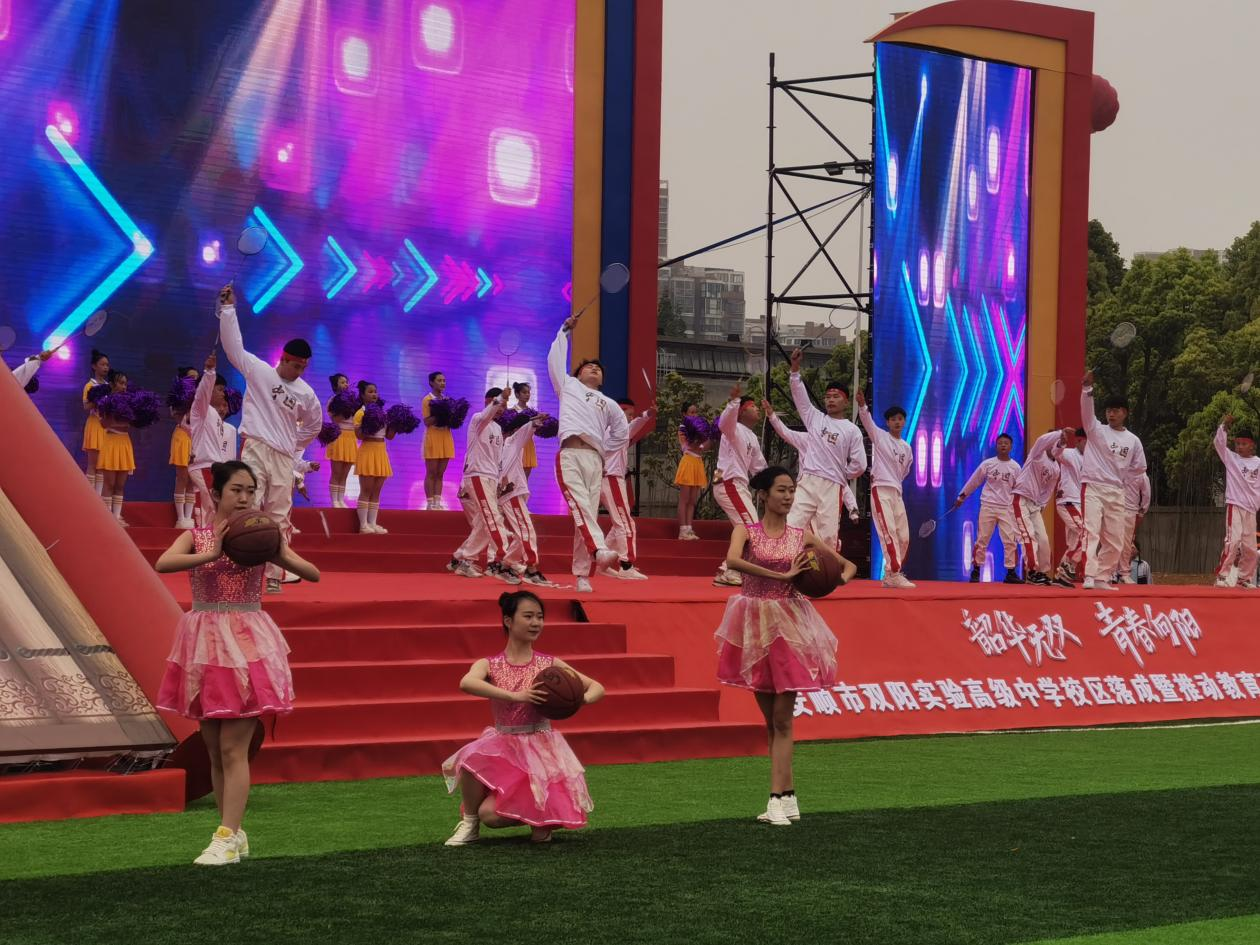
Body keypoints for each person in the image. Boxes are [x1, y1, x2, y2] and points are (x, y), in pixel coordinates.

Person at [154, 460, 320, 866]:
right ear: (216, 494)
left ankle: (225, 837)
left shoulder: (262, 535)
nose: (244, 498)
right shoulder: (197, 536)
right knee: (214, 749)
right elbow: (162, 564)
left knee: (233, 748)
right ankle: (233, 832)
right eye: (236, 490)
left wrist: (279, 553)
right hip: (204, 644)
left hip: (246, 644)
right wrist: (209, 552)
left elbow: (312, 574)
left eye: (250, 490)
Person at [715, 466, 854, 827]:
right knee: (771, 721)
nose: (789, 496)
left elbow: (847, 566)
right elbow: (733, 561)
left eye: (792, 490)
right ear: (763, 495)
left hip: (789, 630)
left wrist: (827, 580)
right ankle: (789, 797)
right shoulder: (745, 531)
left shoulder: (802, 536)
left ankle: (776, 799)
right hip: (753, 627)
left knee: (782, 719)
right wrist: (783, 574)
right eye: (781, 490)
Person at [443, 590, 604, 846]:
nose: (536, 623)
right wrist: (516, 696)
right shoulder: (490, 663)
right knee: (473, 763)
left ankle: (542, 818)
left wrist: (579, 700)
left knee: (531, 833)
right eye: (528, 616)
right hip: (504, 745)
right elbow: (466, 682)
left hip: (541, 750)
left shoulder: (549, 664)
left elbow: (597, 687)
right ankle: (470, 824)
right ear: (508, 620)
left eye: (540, 617)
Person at [216, 285, 322, 594]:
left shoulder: (307, 394)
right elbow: (233, 348)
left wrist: (293, 445)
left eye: (303, 367)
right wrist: (228, 310)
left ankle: (275, 575)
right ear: (284, 359)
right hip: (256, 448)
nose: (299, 371)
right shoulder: (260, 371)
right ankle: (240, 569)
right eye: (296, 365)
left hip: (283, 458)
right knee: (248, 505)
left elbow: (313, 426)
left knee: (279, 515)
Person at [547, 310, 627, 593]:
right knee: (581, 506)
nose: (594, 369)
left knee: (587, 513)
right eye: (588, 367)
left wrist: (604, 450)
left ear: (602, 379)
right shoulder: (568, 386)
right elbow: (555, 359)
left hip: (595, 460)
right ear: (577, 374)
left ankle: (582, 575)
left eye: (598, 368)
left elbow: (622, 433)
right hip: (570, 455)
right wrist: (565, 330)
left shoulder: (609, 404)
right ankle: (600, 549)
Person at [786, 347, 868, 550]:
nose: (830, 400)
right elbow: (800, 398)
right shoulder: (815, 418)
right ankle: (786, 566)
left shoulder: (851, 430)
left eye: (836, 396)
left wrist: (842, 473)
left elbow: (860, 464)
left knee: (828, 536)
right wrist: (795, 369)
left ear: (846, 401)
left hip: (832, 486)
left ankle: (824, 569)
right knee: (792, 526)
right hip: (808, 481)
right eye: (828, 396)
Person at [1078, 372, 1146, 591]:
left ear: (1125, 413)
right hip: (1093, 487)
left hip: (1117, 491)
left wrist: (1122, 478)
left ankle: (1102, 576)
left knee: (1116, 539)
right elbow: (1087, 412)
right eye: (1108, 410)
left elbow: (1139, 468)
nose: (1111, 414)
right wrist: (1087, 390)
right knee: (1091, 532)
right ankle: (1089, 575)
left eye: (1116, 410)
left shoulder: (1133, 441)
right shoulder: (1095, 429)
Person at [763, 404, 861, 534]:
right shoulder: (805, 438)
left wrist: (853, 508)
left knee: (823, 536)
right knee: (794, 528)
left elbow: (841, 483)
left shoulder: (833, 451)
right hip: (806, 489)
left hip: (826, 495)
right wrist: (772, 416)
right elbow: (785, 432)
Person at [450, 387, 515, 582]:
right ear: (489, 401)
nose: (502, 409)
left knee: (482, 523)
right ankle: (503, 561)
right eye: (500, 404)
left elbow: (498, 458)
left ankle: (464, 558)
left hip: (491, 478)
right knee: (493, 518)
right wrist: (500, 398)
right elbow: (488, 413)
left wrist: (501, 480)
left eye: (505, 406)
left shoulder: (497, 428)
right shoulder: (478, 419)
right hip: (477, 475)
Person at [709, 389, 768, 587]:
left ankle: (726, 569)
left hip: (740, 487)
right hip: (729, 483)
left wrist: (773, 484)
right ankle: (732, 570)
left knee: (749, 528)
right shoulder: (732, 428)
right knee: (751, 528)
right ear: (742, 411)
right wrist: (734, 401)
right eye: (753, 406)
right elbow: (723, 422)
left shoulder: (752, 437)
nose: (757, 409)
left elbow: (759, 468)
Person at [856, 391, 914, 588]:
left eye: (900, 419)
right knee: (888, 532)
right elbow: (867, 422)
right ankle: (894, 573)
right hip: (880, 489)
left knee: (903, 536)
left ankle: (890, 575)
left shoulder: (906, 448)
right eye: (893, 419)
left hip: (897, 492)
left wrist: (895, 481)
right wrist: (862, 406)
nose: (897, 422)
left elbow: (904, 471)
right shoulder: (880, 437)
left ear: (904, 422)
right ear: (888, 423)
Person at [953, 434, 1022, 583]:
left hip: (1007, 508)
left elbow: (1020, 489)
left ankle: (1011, 572)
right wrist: (962, 496)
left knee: (1010, 540)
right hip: (988, 506)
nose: (1003, 445)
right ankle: (976, 570)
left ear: (1011, 446)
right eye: (1000, 443)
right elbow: (974, 481)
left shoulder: (1016, 467)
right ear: (996, 446)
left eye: (1006, 443)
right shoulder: (988, 464)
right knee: (982, 539)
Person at [499, 409, 556, 586]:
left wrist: (533, 422)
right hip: (511, 494)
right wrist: (534, 422)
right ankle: (532, 569)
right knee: (526, 531)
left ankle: (506, 565)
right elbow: (524, 430)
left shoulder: (504, 445)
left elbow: (524, 429)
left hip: (512, 493)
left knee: (521, 533)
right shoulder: (511, 442)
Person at [600, 398, 654, 580]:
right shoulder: (614, 431)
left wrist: (647, 415)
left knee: (619, 522)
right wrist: (646, 415)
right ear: (619, 412)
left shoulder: (613, 430)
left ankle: (603, 561)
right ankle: (626, 564)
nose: (631, 418)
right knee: (625, 522)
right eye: (628, 414)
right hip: (612, 478)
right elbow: (632, 426)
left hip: (610, 478)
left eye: (632, 415)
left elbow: (634, 426)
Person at [1012, 429, 1071, 586]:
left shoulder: (1056, 468)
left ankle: (1042, 572)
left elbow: (1048, 489)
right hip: (1020, 499)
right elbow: (1041, 440)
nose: (1051, 445)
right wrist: (1060, 433)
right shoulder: (1037, 454)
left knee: (1043, 539)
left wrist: (1042, 504)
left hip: (1035, 505)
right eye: (1051, 441)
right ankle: (1031, 572)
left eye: (1056, 443)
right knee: (1028, 536)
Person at [188, 352, 239, 525]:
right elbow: (201, 393)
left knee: (215, 510)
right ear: (210, 389)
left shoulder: (215, 415)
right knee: (209, 509)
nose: (223, 394)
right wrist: (209, 372)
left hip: (213, 467)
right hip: (204, 465)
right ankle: (206, 541)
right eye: (220, 390)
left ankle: (213, 540)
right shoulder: (200, 409)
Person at [1213, 415, 1260, 588]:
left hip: (1251, 509)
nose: (1240, 447)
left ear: (1252, 445)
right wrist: (1224, 425)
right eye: (1238, 443)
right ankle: (1222, 576)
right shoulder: (1231, 458)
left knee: (1251, 548)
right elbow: (1219, 443)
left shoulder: (1258, 463)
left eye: (1243, 444)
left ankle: (1244, 579)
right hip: (1235, 504)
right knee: (1232, 541)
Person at [352, 380, 394, 535]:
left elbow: (389, 436)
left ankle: (372, 523)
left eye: (375, 391)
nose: (374, 394)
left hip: (381, 451)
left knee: (376, 491)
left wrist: (396, 424)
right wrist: (371, 423)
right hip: (368, 451)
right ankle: (363, 525)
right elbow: (359, 435)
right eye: (370, 392)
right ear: (362, 395)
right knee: (366, 489)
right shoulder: (360, 413)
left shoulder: (383, 413)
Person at [97, 369, 136, 526]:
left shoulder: (131, 402)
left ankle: (117, 516)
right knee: (109, 484)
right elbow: (103, 424)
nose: (124, 387)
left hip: (124, 442)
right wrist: (112, 413)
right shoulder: (106, 401)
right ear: (112, 384)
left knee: (120, 485)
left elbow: (131, 424)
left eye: (125, 384)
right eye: (121, 383)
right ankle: (107, 519)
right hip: (111, 442)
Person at [1053, 429, 1087, 587]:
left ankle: (1061, 577)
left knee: (1074, 543)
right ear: (1078, 441)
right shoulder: (1069, 454)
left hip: (1079, 503)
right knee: (1086, 533)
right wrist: (1061, 441)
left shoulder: (1090, 459)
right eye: (1086, 442)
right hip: (1068, 501)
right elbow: (1056, 452)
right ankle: (1067, 566)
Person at [673, 403, 710, 540]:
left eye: (696, 412)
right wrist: (699, 438)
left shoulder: (698, 428)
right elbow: (691, 446)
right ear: (684, 414)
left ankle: (689, 529)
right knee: (685, 499)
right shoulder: (683, 428)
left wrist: (706, 438)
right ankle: (682, 530)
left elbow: (705, 445)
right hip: (688, 461)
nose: (695, 415)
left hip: (697, 462)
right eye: (691, 412)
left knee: (692, 500)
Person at [422, 371, 455, 510]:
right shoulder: (427, 400)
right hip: (433, 436)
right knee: (432, 472)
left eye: (444, 380)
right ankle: (429, 503)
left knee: (440, 473)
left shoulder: (447, 400)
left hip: (446, 436)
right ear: (431, 382)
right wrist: (440, 413)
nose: (442, 383)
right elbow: (427, 421)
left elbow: (453, 421)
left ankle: (437, 502)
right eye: (439, 380)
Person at [324, 373, 357, 508]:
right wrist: (345, 409)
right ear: (335, 385)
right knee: (336, 472)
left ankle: (341, 500)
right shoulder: (333, 401)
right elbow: (335, 419)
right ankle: (334, 501)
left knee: (345, 473)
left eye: (346, 382)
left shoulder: (354, 400)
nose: (346, 384)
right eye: (342, 382)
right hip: (339, 436)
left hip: (351, 437)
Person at [82, 349, 111, 500]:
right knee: (93, 464)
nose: (105, 367)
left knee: (102, 465)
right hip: (94, 425)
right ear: (94, 366)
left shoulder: (109, 386)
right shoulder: (89, 385)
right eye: (102, 364)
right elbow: (86, 406)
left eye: (107, 365)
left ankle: (98, 498)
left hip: (106, 426)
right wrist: (97, 398)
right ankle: (89, 498)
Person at [1115, 470, 1150, 584]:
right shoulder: (1118, 468)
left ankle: (1124, 573)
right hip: (1114, 507)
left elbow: (1146, 494)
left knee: (1126, 543)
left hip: (1130, 510)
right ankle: (1109, 573)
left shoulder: (1141, 474)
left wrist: (1142, 510)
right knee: (1111, 541)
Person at [512, 382, 538, 481]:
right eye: (524, 392)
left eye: (528, 392)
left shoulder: (532, 412)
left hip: (528, 444)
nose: (527, 395)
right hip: (516, 444)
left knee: (524, 481)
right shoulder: (512, 411)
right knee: (513, 480)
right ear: (517, 394)